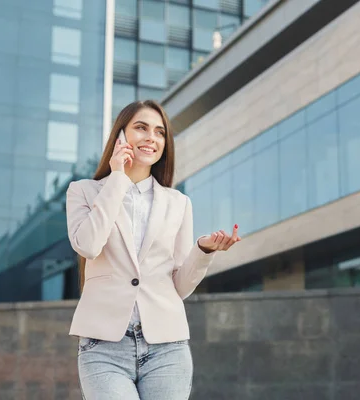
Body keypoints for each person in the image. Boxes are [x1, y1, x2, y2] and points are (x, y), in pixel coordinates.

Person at [65, 100, 240, 399]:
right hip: (104, 347)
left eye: (159, 132)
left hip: (167, 347)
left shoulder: (178, 202)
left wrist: (202, 251)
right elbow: (88, 245)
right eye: (141, 128)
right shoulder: (84, 191)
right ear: (120, 136)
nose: (152, 138)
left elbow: (180, 287)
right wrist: (118, 177)